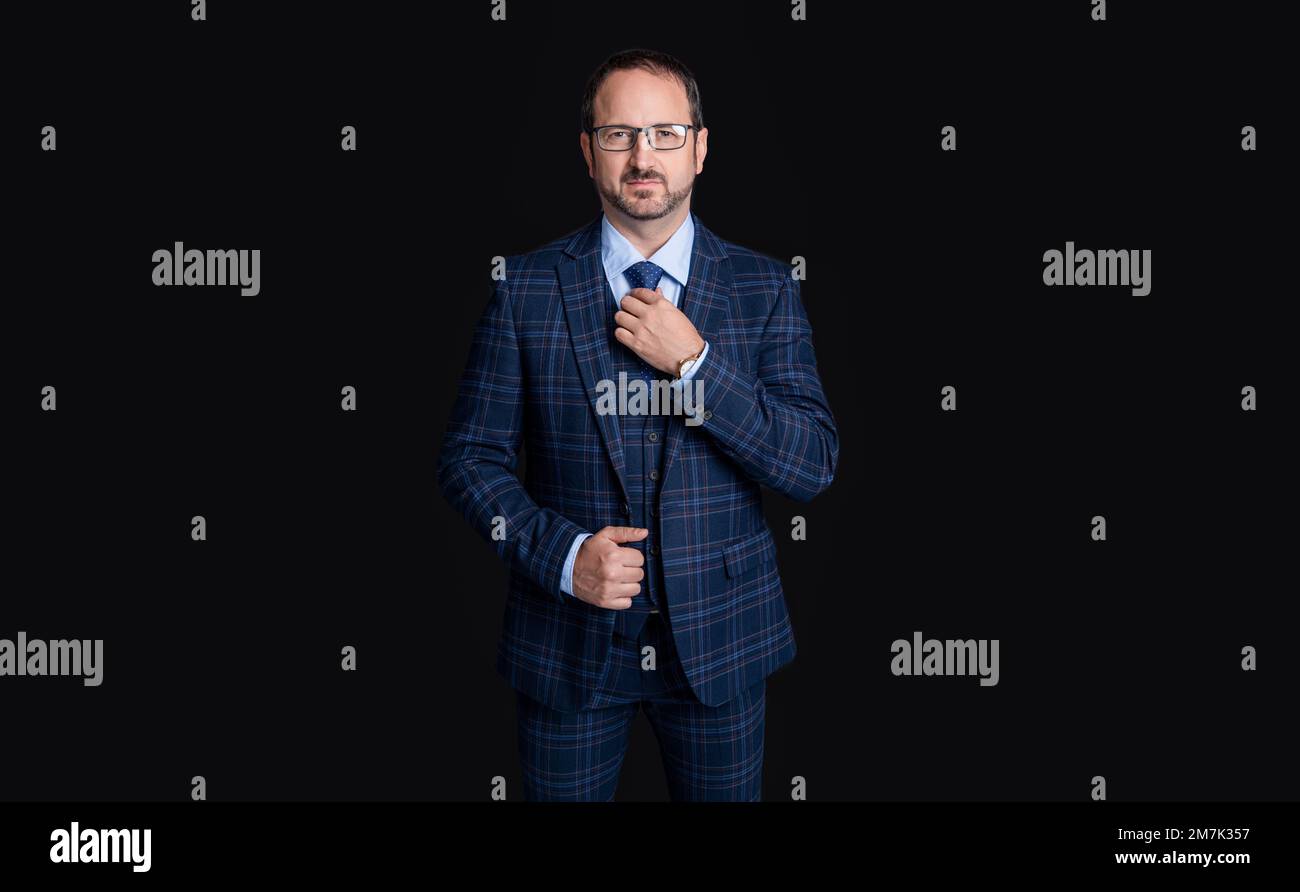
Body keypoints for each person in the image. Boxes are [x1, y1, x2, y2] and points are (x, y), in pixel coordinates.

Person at [438, 48, 838, 801]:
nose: (642, 155)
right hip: (568, 645)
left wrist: (697, 368)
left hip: (721, 646)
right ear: (588, 152)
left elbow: (812, 464)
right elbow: (467, 458)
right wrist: (563, 557)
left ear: (701, 148)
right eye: (619, 134)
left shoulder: (765, 288)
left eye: (664, 133)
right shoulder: (523, 288)